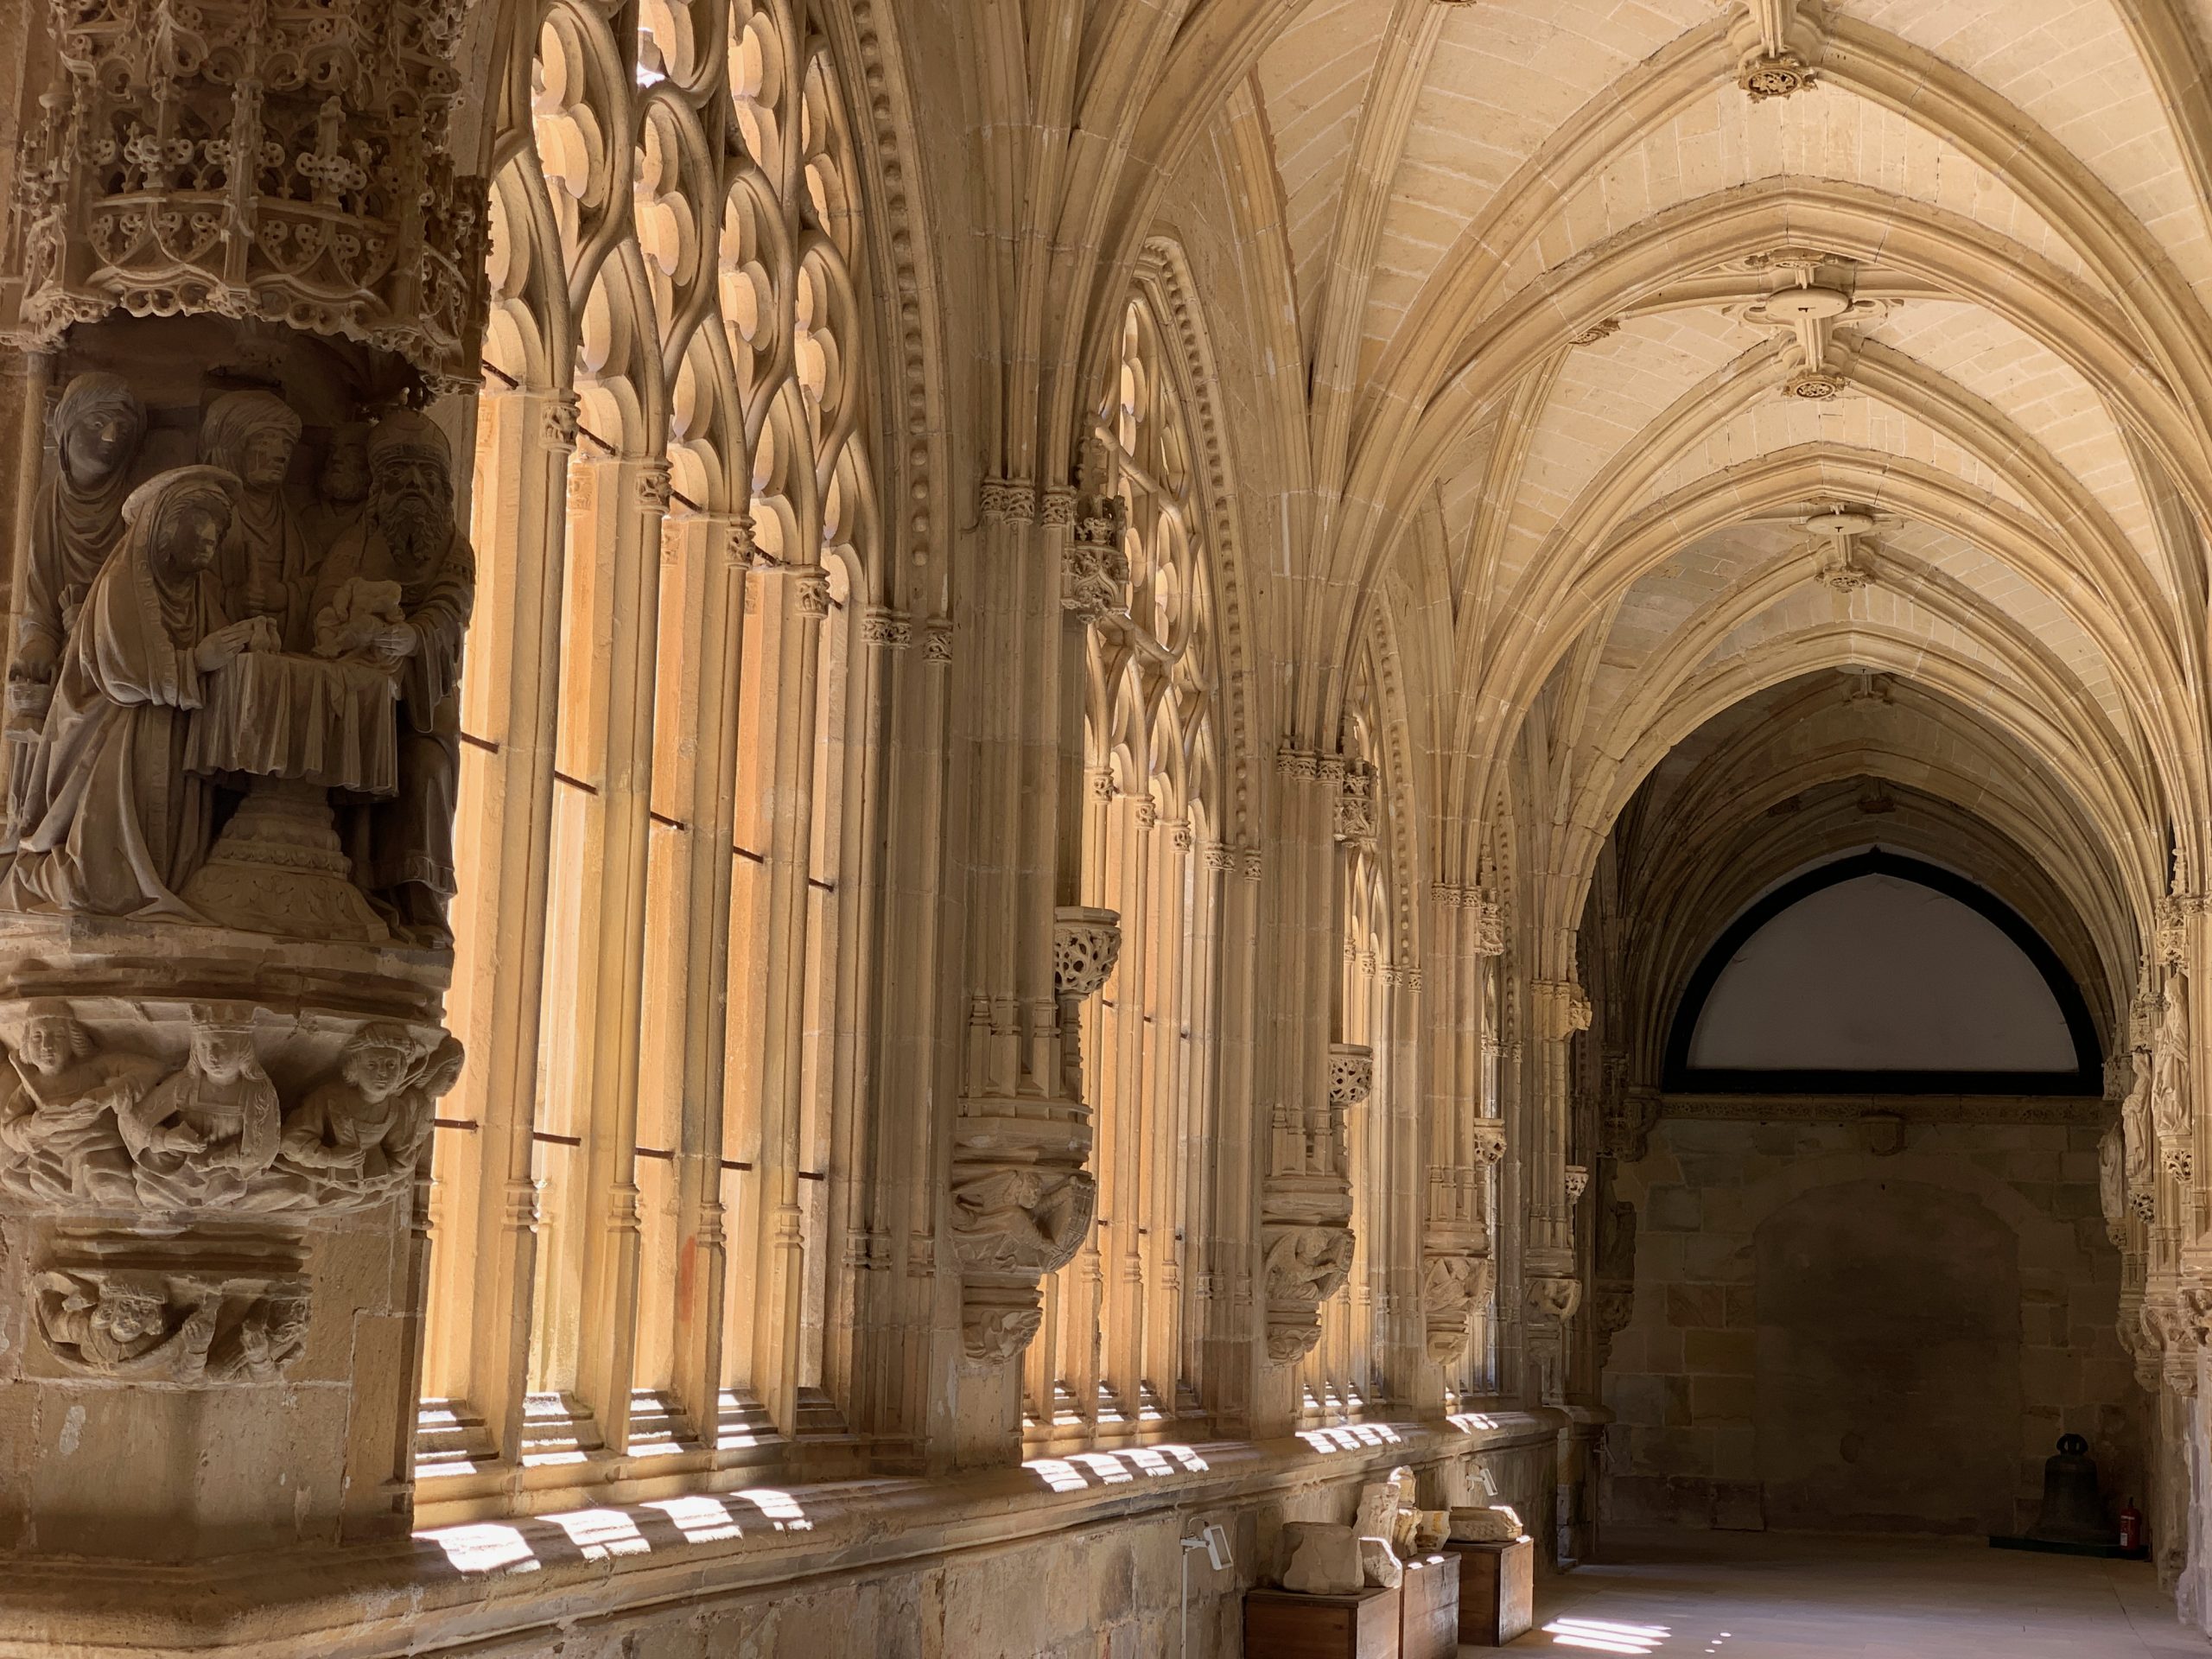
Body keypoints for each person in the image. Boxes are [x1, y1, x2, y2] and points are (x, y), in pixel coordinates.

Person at [0, 467, 276, 918]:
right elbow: (121, 675)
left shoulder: (197, 594)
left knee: (172, 869)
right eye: (199, 524)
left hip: (173, 742)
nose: (211, 539)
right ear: (164, 525)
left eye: (217, 530)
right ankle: (35, 879)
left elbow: (218, 647)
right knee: (97, 885)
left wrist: (250, 640)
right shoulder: (121, 583)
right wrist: (195, 661)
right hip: (112, 742)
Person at [311, 411, 474, 944]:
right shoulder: (356, 541)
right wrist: (354, 631)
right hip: (364, 691)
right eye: (400, 476)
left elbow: (452, 606)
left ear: (442, 487)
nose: (413, 487)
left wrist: (413, 637)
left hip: (426, 696)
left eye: (426, 476)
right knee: (360, 765)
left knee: (425, 769)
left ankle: (420, 905)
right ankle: (361, 893)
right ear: (379, 486)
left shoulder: (453, 547)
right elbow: (326, 603)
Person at [0, 1001, 162, 1205]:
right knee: (37, 1181)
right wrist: (35, 1126)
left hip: (96, 1145)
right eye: (37, 1037)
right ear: (26, 1042)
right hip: (53, 1154)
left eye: (58, 1036)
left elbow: (152, 1069)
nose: (47, 1046)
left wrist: (110, 1094)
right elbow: (8, 1127)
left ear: (73, 1040)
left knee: (102, 1180)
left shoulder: (93, 1068)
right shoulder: (29, 1086)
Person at [199, 390, 312, 648]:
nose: (281, 455)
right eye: (265, 440)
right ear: (232, 448)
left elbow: (318, 581)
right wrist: (231, 599)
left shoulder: (293, 524)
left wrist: (285, 595)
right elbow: (182, 581)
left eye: (287, 445)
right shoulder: (203, 516)